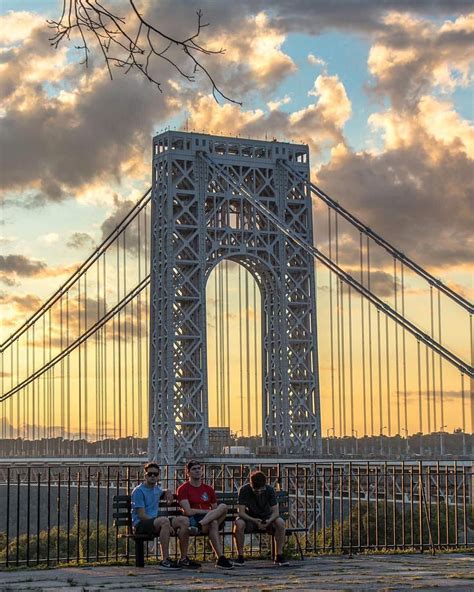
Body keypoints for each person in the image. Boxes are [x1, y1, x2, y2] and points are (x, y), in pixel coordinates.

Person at [131, 461, 201, 569]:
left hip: (156, 522)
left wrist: (167, 491)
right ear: (145, 476)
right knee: (164, 521)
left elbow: (161, 491)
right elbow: (142, 515)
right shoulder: (138, 491)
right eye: (150, 474)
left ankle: (183, 559)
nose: (153, 476)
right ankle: (165, 560)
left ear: (158, 475)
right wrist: (165, 523)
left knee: (184, 521)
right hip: (141, 524)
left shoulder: (157, 489)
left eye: (155, 474)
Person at [177, 459, 234, 570]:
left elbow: (216, 509)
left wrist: (207, 513)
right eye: (194, 469)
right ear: (188, 472)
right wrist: (207, 512)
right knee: (213, 522)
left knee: (223, 507)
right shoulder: (183, 489)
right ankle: (221, 558)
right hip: (194, 519)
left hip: (205, 521)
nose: (197, 471)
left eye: (199, 468)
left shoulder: (208, 489)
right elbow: (188, 511)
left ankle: (200, 525)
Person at [233, 470, 289, 566]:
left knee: (280, 523)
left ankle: (279, 555)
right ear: (251, 484)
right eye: (256, 490)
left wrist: (269, 521)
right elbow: (241, 512)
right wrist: (254, 520)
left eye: (261, 490)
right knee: (239, 524)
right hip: (250, 518)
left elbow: (276, 512)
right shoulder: (244, 490)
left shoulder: (270, 490)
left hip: (267, 518)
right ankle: (240, 556)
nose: (258, 492)